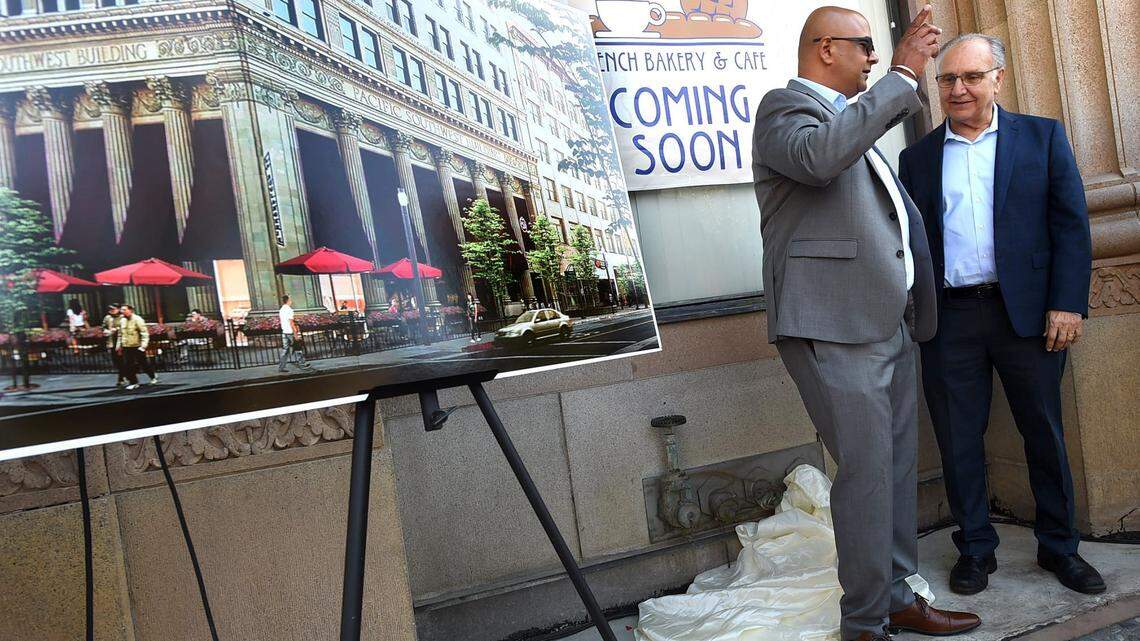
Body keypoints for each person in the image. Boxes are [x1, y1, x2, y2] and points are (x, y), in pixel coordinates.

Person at [752, 6, 979, 640]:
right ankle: (864, 622)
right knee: (867, 472)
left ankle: (900, 594)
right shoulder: (784, 110)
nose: (875, 58)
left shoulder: (850, 120)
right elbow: (822, 158)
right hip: (832, 326)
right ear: (825, 49)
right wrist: (906, 71)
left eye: (882, 52)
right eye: (865, 47)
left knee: (896, 467)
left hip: (886, 323)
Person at [898, 34, 1102, 596]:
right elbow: (910, 244)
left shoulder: (1042, 137)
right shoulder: (915, 158)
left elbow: (1071, 225)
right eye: (946, 79)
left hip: (1031, 318)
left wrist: (1067, 303)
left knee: (1044, 435)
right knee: (958, 439)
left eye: (970, 77)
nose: (958, 89)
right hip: (951, 320)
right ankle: (975, 550)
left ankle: (1060, 549)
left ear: (997, 79)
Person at [116, 304, 157, 389]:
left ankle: (152, 377)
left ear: (130, 310)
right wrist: (118, 345)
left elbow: (144, 333)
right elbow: (120, 334)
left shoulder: (137, 319)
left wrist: (143, 346)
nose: (122, 311)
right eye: (121, 310)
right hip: (126, 346)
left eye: (124, 310)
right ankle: (134, 382)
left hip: (137, 345)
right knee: (128, 365)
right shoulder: (122, 320)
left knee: (143, 363)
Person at [277, 294, 311, 372]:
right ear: (288, 301)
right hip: (290, 331)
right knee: (298, 348)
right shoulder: (289, 310)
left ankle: (281, 367)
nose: (291, 301)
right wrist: (295, 333)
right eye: (290, 300)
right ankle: (303, 364)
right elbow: (291, 322)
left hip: (284, 331)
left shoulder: (281, 309)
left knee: (285, 350)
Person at [101, 303, 125, 387]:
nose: (111, 311)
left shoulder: (123, 317)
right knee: (116, 361)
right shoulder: (107, 318)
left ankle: (121, 378)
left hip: (122, 342)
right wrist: (106, 331)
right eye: (110, 309)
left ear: (118, 309)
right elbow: (103, 327)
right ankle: (122, 375)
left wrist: (117, 329)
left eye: (113, 309)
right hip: (112, 342)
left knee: (122, 360)